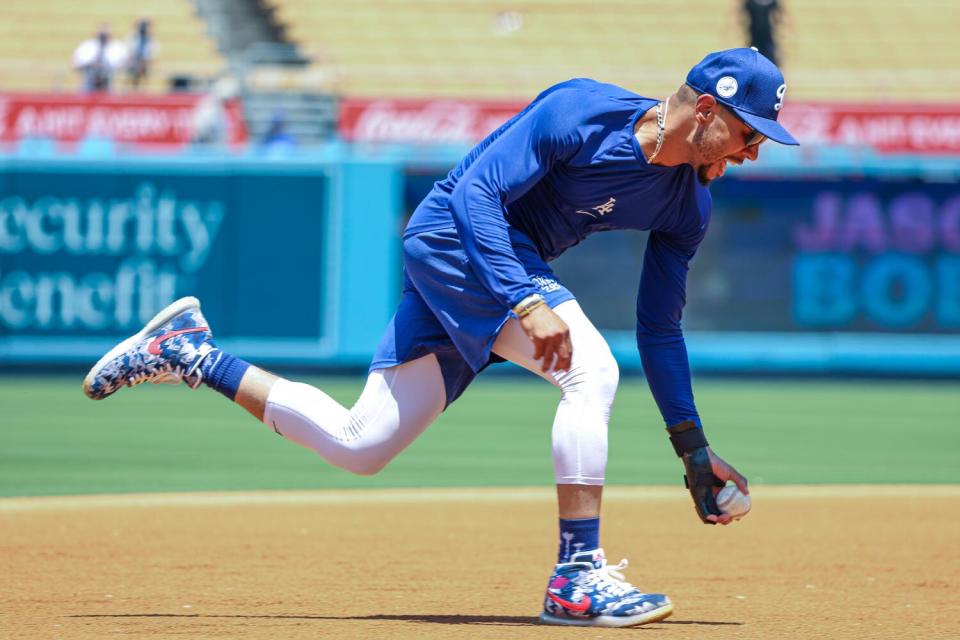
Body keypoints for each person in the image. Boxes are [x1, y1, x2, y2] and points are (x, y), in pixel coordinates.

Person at [83, 48, 797, 628]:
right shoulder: (581, 109)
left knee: (361, 443)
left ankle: (187, 351)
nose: (753, 154)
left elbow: (660, 329)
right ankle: (577, 578)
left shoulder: (686, 205)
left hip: (497, 270)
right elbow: (475, 192)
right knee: (592, 373)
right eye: (749, 134)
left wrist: (693, 451)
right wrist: (524, 298)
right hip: (454, 240)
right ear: (706, 110)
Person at [72, 25, 127, 93]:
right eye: (101, 33)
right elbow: (76, 63)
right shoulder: (87, 45)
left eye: (106, 33)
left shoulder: (117, 47)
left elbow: (123, 64)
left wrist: (107, 66)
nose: (103, 36)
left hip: (109, 79)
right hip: (89, 78)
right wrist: (91, 64)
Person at [741, 0, 784, 67]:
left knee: (770, 57)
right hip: (754, 34)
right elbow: (742, 16)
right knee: (754, 56)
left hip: (766, 34)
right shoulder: (750, 2)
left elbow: (778, 15)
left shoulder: (771, 2)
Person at [126, 19, 156, 90]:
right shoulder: (132, 37)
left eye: (145, 26)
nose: (143, 28)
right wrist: (134, 60)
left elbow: (152, 54)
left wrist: (144, 62)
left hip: (145, 64)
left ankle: (142, 87)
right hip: (133, 62)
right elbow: (129, 52)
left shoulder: (151, 39)